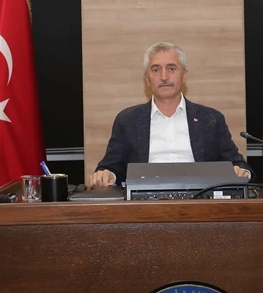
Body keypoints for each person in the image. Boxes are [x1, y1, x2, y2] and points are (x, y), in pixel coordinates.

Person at [89, 42, 252, 188]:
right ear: (147, 79)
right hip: (145, 203)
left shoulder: (210, 119)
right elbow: (111, 167)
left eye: (171, 69)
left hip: (200, 201)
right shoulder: (128, 120)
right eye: (156, 70)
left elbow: (238, 165)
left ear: (184, 75)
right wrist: (108, 175)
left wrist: (240, 171)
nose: (164, 77)